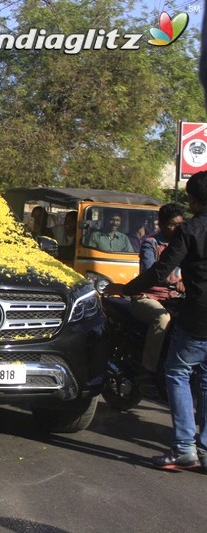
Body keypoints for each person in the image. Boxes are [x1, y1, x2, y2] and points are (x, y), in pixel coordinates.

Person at [103, 171, 207, 471]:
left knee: (178, 373)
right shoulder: (158, 238)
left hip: (197, 317)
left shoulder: (192, 230)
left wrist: (126, 288)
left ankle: (184, 448)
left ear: (193, 199)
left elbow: (160, 272)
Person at [127, 203, 185, 379]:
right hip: (147, 297)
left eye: (179, 225)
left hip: (174, 298)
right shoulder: (151, 243)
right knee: (162, 319)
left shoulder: (183, 244)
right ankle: (148, 370)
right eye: (171, 225)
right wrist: (175, 282)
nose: (175, 229)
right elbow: (150, 272)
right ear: (160, 224)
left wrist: (187, 281)